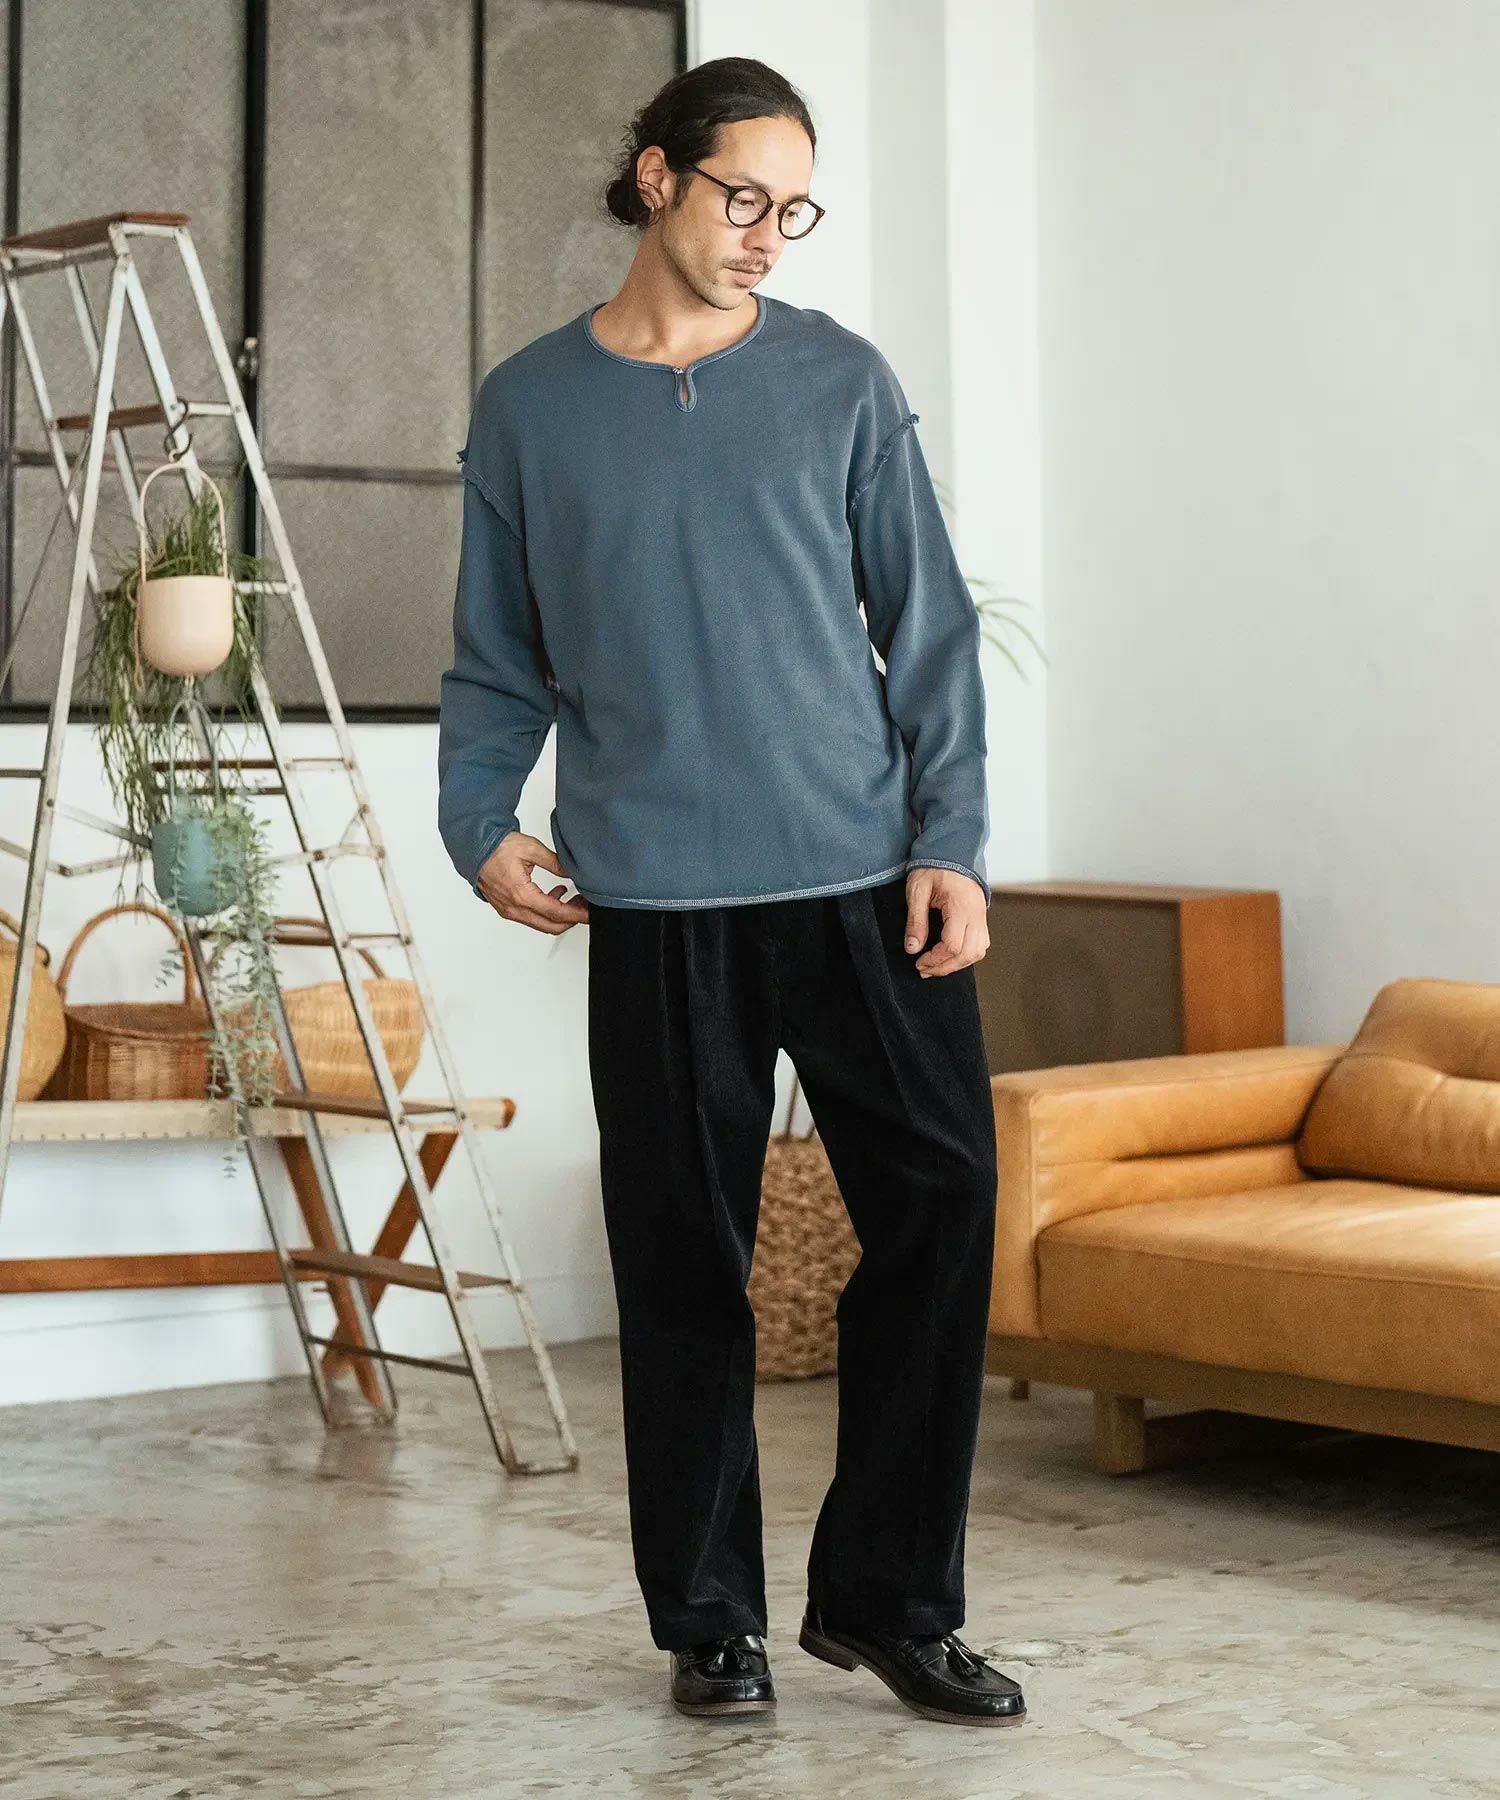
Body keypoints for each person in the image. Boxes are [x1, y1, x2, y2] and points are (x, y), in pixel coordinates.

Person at [437, 55, 1024, 1730]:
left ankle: (890, 1602)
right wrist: (479, 821)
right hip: (658, 907)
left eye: (794, 208)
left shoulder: (841, 382)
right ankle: (711, 1622)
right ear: (655, 178)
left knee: (943, 1204)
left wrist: (952, 842)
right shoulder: (532, 408)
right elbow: (498, 659)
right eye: (743, 196)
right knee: (682, 1261)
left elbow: (932, 629)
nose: (768, 232)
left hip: (865, 887)